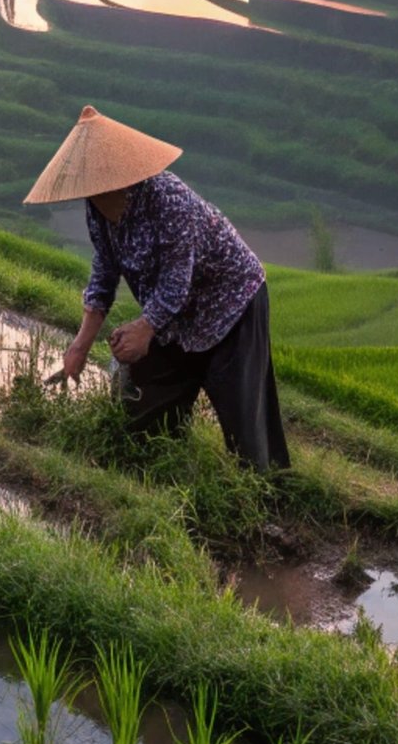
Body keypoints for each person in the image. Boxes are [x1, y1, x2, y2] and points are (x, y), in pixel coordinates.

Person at [24, 104, 289, 471]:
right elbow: (103, 275)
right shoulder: (97, 211)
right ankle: (160, 466)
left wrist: (144, 327)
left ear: (116, 176)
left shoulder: (168, 199)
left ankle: (264, 492)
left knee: (242, 413)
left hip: (231, 303)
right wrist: (79, 347)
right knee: (145, 404)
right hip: (176, 314)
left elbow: (176, 282)